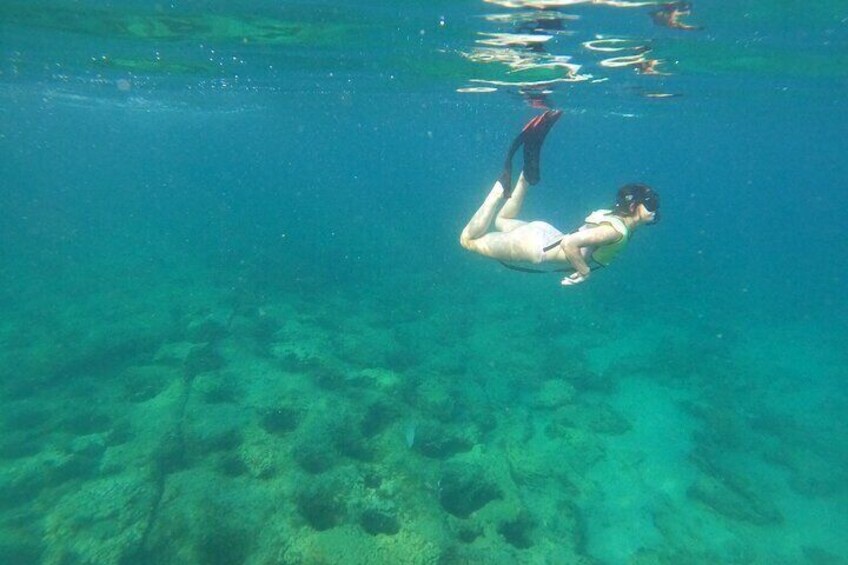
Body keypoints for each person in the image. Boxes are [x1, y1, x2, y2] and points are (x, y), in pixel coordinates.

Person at [459, 110, 659, 287]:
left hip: (544, 235)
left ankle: (526, 177)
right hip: (537, 247)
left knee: (502, 221)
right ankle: (498, 192)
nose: (655, 210)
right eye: (650, 204)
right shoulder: (615, 232)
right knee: (467, 240)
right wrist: (584, 272)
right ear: (633, 206)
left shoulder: (615, 217)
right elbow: (570, 243)